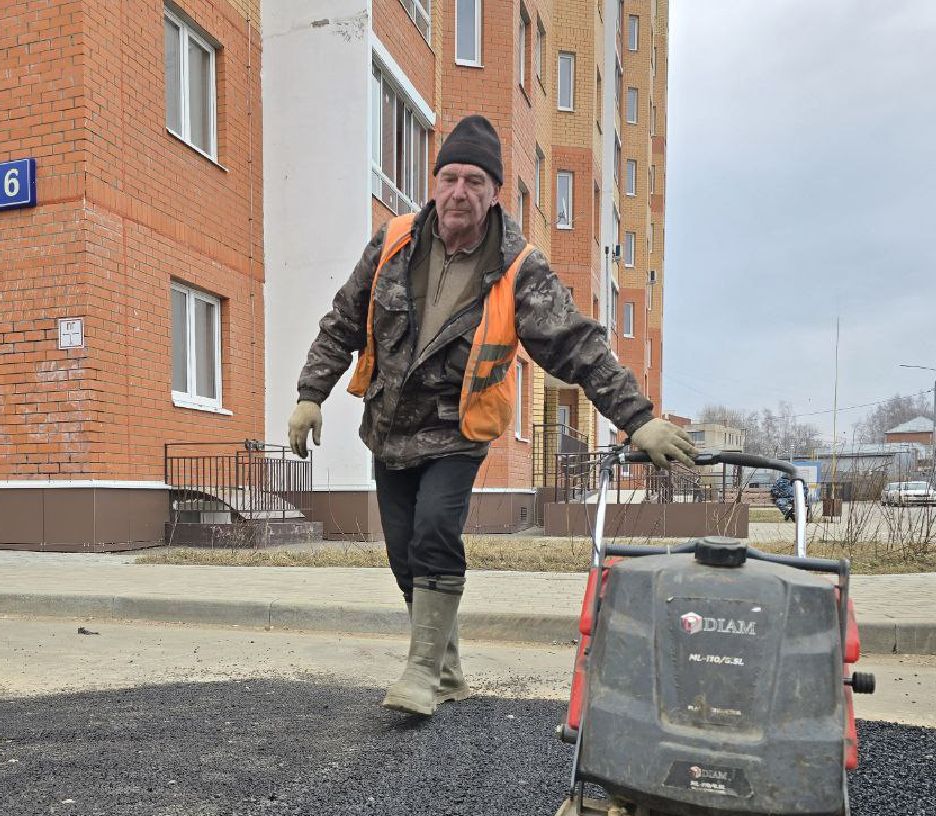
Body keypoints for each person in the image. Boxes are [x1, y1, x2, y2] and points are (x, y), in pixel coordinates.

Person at [287, 114, 695, 718]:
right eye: (449, 177)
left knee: (434, 533)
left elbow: (578, 346)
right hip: (389, 430)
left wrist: (637, 419)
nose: (459, 191)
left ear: (495, 192)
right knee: (402, 551)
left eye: (474, 180)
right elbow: (343, 321)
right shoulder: (393, 241)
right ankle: (447, 667)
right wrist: (309, 394)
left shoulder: (516, 267)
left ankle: (421, 673)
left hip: (459, 430)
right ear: (433, 183)